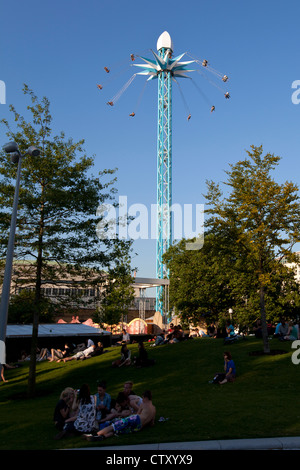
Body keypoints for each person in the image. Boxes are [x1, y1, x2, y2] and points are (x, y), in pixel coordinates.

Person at [84, 390, 156, 441]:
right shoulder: (154, 409)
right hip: (139, 427)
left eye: (143, 397)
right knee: (119, 430)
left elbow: (138, 414)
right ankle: (103, 437)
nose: (142, 399)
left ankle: (95, 434)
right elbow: (152, 424)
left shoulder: (143, 404)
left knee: (113, 426)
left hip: (136, 419)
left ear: (146, 398)